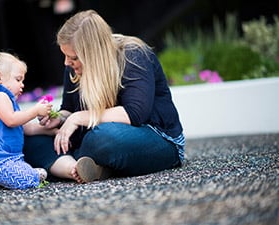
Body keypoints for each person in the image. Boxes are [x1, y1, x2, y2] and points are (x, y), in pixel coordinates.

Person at [23, 9, 185, 183]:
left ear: (93, 54)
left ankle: (70, 162)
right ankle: (78, 169)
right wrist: (60, 119)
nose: (66, 62)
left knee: (102, 138)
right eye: (65, 56)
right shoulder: (73, 68)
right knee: (24, 139)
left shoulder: (133, 55)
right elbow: (68, 110)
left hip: (154, 138)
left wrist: (78, 118)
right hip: (92, 140)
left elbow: (135, 114)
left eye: (74, 57)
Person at [0, 49, 54, 189]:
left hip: (8, 159)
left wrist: (50, 131)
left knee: (25, 170)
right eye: (18, 79)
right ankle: (0, 175)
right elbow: (11, 120)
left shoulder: (9, 100)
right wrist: (35, 110)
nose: (22, 84)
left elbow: (25, 127)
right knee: (30, 178)